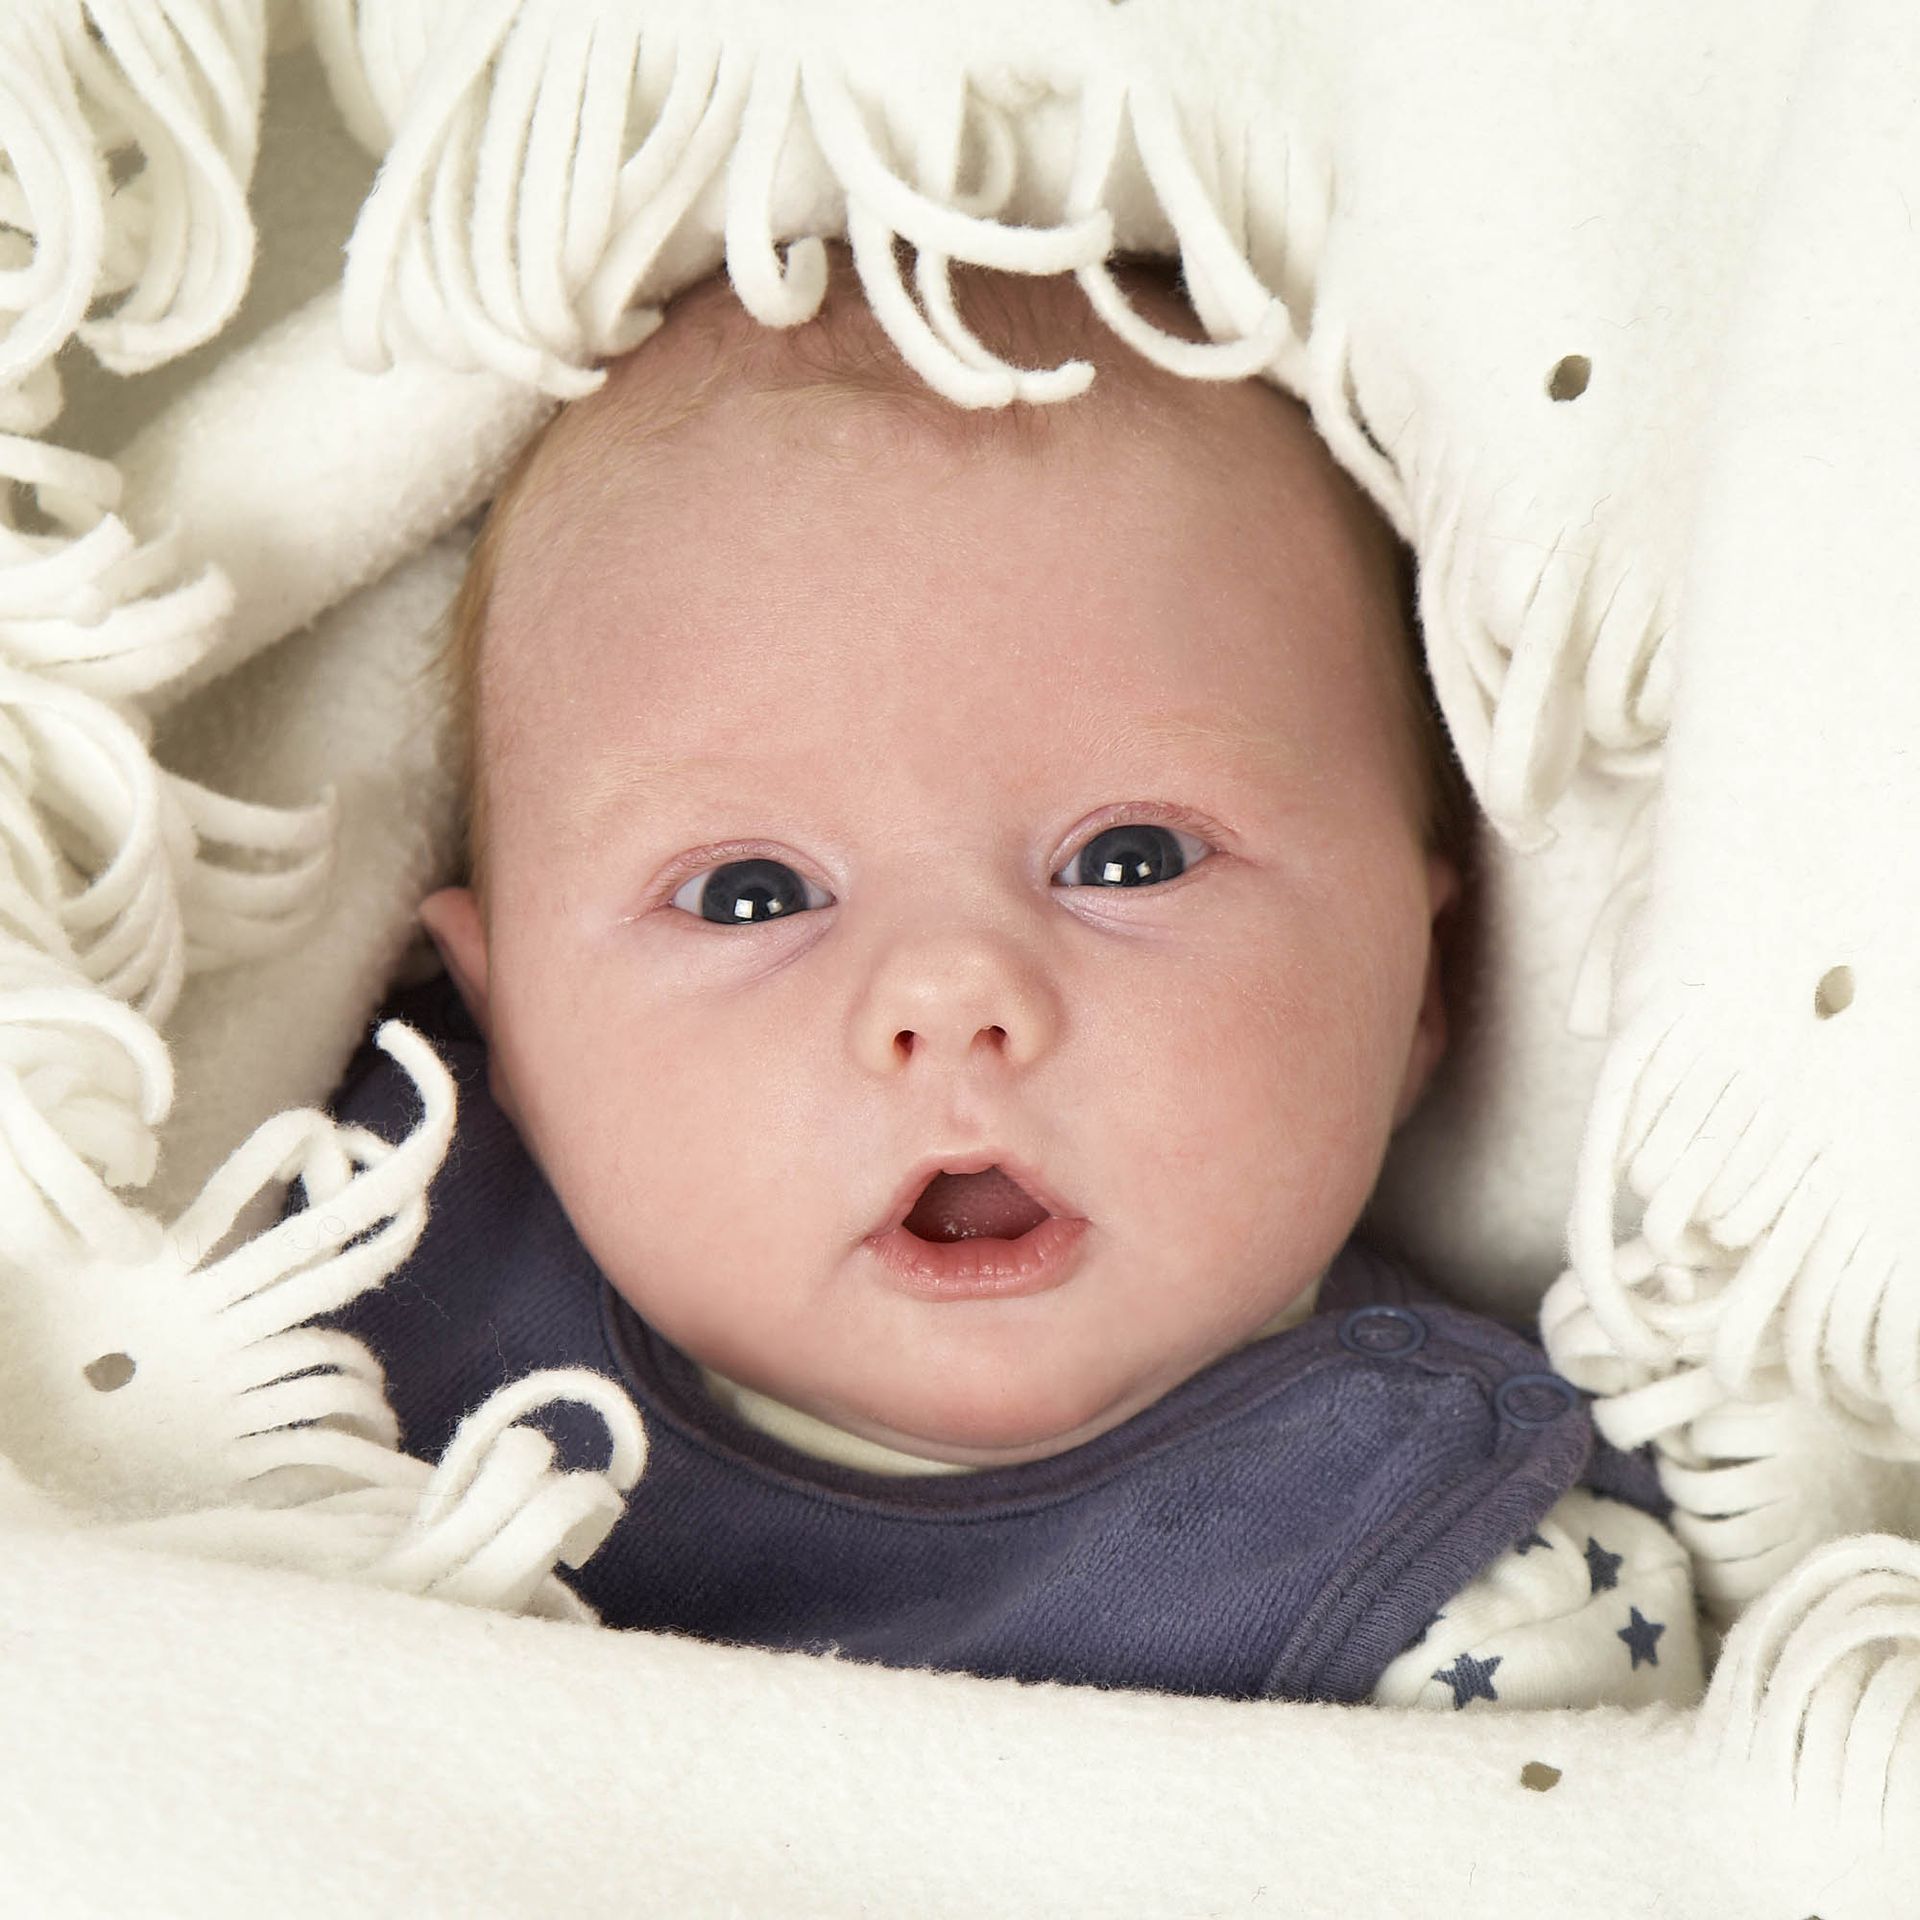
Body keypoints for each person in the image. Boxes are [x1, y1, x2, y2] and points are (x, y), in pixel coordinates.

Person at [313, 244, 1701, 1709]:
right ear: (506, 1023)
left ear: (1426, 982)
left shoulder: (1461, 1579)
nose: (951, 993)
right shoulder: (340, 1293)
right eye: (751, 894)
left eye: (1132, 859)